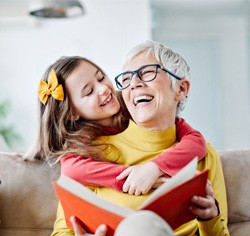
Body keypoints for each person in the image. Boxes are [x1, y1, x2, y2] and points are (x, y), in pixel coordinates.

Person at [48, 41, 231, 236]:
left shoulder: (204, 156)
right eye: (126, 78)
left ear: (181, 88)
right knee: (139, 225)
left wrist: (210, 218)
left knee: (142, 225)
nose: (134, 83)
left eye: (146, 73)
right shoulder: (91, 153)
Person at [30, 55, 207, 196]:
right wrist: (133, 177)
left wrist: (154, 168)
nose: (103, 89)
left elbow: (196, 142)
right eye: (89, 92)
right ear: (71, 113)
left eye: (101, 78)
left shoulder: (135, 103)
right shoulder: (84, 141)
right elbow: (71, 170)